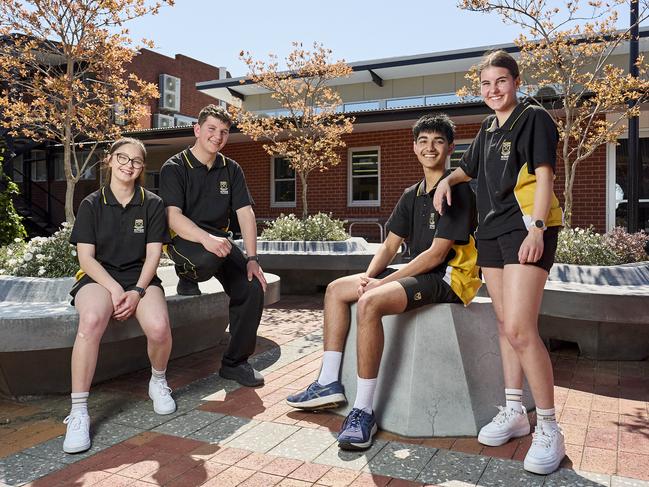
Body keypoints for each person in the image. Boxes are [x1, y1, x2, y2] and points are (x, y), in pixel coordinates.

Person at [286, 113, 481, 451]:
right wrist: (369, 276)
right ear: (414, 148)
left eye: (438, 141)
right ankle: (329, 382)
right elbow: (390, 245)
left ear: (450, 148)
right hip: (419, 272)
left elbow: (436, 256)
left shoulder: (458, 190)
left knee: (370, 302)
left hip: (449, 278)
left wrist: (376, 289)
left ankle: (363, 410)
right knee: (336, 290)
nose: (430, 147)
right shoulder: (412, 194)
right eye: (423, 141)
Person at [433, 50, 565, 475]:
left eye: (501, 82)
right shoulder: (488, 129)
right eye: (486, 84)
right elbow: (466, 171)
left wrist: (538, 228)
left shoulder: (533, 118)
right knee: (505, 326)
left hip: (527, 228)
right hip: (489, 232)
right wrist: (444, 183)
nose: (493, 90)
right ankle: (515, 413)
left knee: (522, 329)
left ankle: (549, 427)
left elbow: (544, 175)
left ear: (516, 81)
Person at [63, 138, 175, 454]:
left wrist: (137, 291)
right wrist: (114, 289)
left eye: (136, 161)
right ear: (109, 160)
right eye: (122, 158)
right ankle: (78, 412)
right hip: (99, 277)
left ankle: (157, 380)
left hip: (140, 277)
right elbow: (86, 259)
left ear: (142, 167)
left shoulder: (152, 203)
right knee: (92, 320)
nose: (129, 165)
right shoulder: (91, 204)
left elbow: (154, 256)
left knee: (158, 328)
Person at [159, 104, 267, 388]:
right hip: (185, 238)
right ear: (197, 130)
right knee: (206, 259)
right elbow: (172, 216)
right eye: (211, 129)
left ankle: (235, 363)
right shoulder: (175, 167)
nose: (217, 137)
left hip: (219, 240)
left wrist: (252, 258)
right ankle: (187, 276)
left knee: (252, 285)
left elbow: (245, 212)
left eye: (224, 132)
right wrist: (205, 239)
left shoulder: (231, 169)